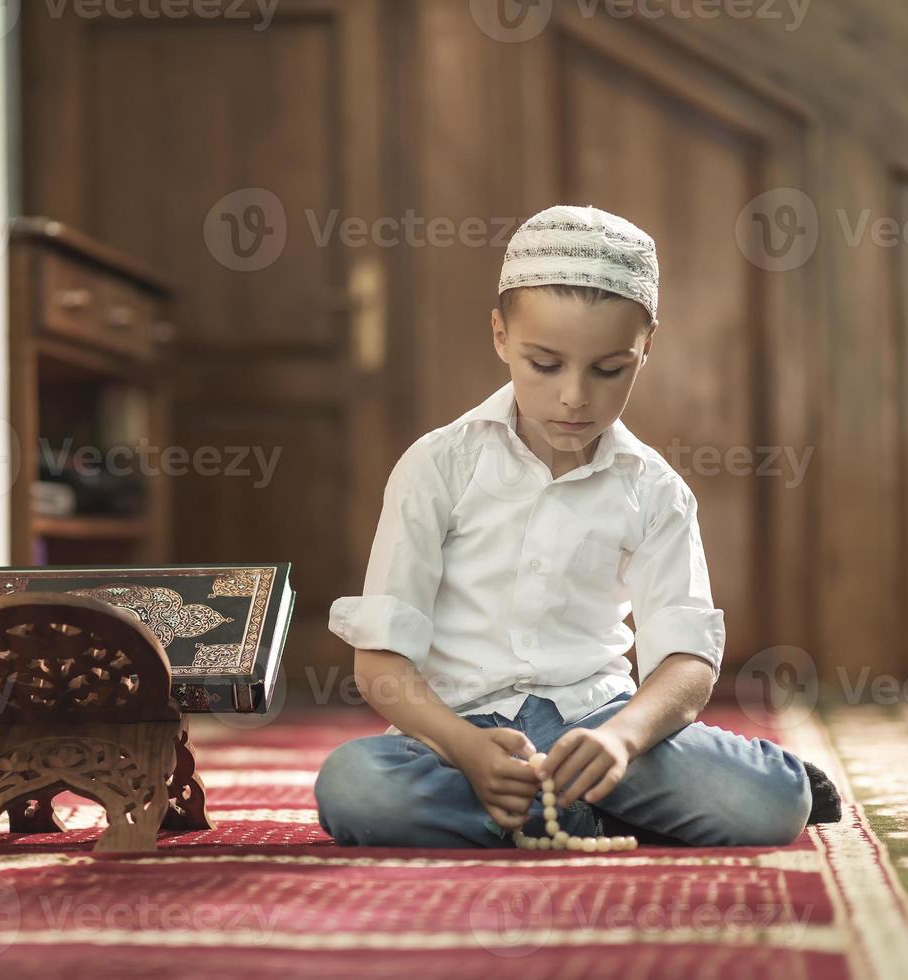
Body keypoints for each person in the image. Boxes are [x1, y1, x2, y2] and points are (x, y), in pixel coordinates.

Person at [314, 204, 840, 848]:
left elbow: (687, 661)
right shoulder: (437, 467)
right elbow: (381, 663)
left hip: (598, 726)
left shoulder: (654, 490)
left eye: (608, 370)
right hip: (460, 736)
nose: (574, 396)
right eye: (546, 364)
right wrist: (466, 750)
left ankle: (554, 809)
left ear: (646, 348)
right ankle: (586, 812)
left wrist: (619, 740)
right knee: (355, 788)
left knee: (771, 804)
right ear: (501, 336)